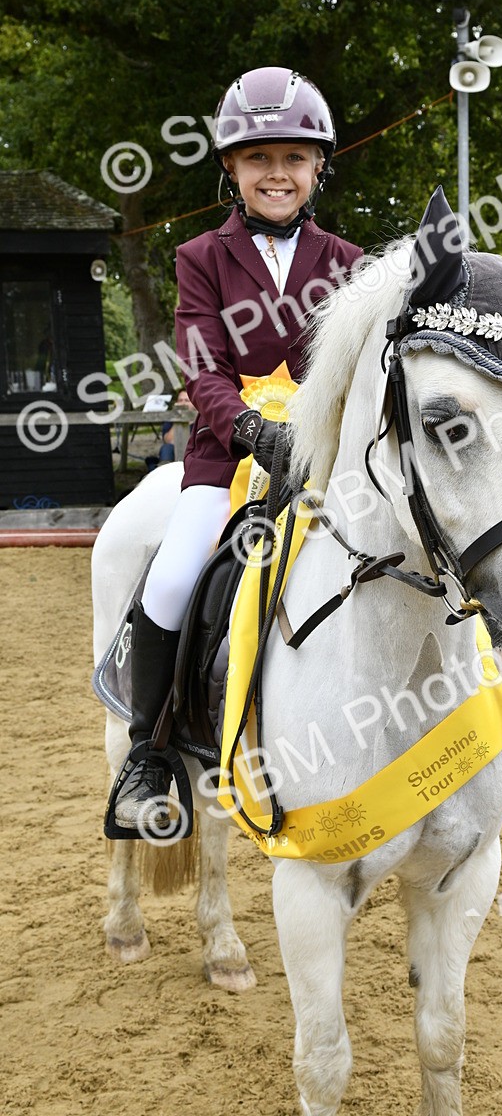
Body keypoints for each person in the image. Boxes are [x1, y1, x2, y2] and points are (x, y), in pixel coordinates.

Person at [113, 67, 362, 832]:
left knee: (419, 534)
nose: (276, 174)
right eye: (258, 159)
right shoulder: (200, 257)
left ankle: (485, 683)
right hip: (229, 453)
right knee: (175, 576)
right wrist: (254, 431)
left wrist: (318, 439)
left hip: (326, 457)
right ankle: (148, 755)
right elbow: (201, 366)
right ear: (231, 167)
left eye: (293, 158)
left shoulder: (351, 261)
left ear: (319, 167)